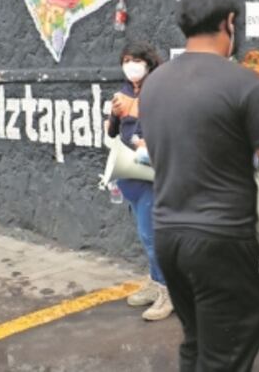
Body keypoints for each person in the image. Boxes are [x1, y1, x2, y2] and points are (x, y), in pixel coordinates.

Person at [140, 0, 259, 371]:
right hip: (222, 241)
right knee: (234, 341)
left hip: (168, 237)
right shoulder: (241, 84)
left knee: (197, 343)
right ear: (229, 23)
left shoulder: (154, 84)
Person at [106, 41, 172, 321]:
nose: (131, 65)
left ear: (149, 63)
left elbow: (165, 121)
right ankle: (155, 281)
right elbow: (113, 132)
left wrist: (134, 110)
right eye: (126, 60)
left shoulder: (159, 89)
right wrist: (114, 114)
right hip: (129, 172)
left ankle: (168, 292)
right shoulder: (122, 92)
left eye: (136, 60)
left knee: (152, 236)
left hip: (150, 174)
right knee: (145, 236)